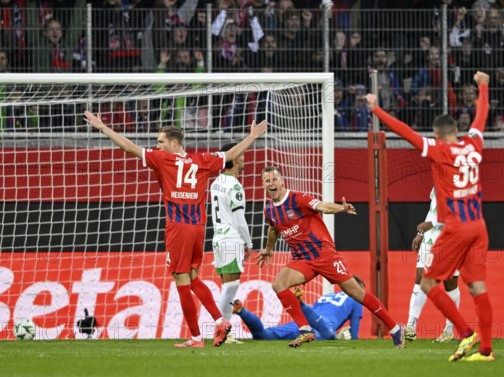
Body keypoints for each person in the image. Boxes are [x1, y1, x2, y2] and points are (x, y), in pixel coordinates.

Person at [83, 111, 267, 348]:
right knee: (192, 278)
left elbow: (129, 147)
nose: (157, 145)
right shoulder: (202, 160)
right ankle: (219, 320)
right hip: (198, 227)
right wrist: (252, 136)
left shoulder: (162, 159)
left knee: (181, 280)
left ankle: (196, 337)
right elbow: (231, 154)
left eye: (161, 141)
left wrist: (103, 127)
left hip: (178, 227)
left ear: (174, 143)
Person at [366, 71, 494, 362]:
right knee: (478, 287)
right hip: (479, 226)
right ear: (456, 130)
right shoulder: (474, 144)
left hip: (457, 228)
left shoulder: (439, 150)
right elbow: (481, 115)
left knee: (427, 283)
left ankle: (465, 333)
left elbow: (406, 133)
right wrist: (483, 86)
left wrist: (376, 109)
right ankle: (486, 350)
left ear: (437, 134)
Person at [256, 166, 405, 348]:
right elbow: (273, 228)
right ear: (263, 184)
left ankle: (395, 328)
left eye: (274, 180)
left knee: (356, 293)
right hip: (302, 259)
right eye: (267, 181)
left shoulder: (297, 198)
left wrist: (341, 208)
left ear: (281, 181)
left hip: (324, 254)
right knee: (279, 284)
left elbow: (322, 206)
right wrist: (269, 248)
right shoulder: (269, 210)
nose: (271, 184)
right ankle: (305, 330)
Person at [209, 142, 254, 344]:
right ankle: (222, 331)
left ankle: (223, 332)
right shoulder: (234, 185)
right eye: (242, 155)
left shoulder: (216, 182)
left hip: (218, 238)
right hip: (231, 238)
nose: (244, 159)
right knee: (231, 288)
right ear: (235, 158)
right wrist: (249, 242)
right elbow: (239, 219)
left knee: (227, 287)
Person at [231, 276, 366, 341]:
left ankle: (242, 311)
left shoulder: (327, 296)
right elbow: (354, 334)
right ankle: (300, 303)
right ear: (357, 289)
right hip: (323, 328)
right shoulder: (356, 299)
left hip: (301, 325)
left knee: (262, 336)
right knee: (329, 335)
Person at [405, 188, 461, 343]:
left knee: (449, 282)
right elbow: (433, 209)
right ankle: (410, 326)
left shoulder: (460, 182)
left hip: (450, 238)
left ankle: (449, 329)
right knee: (420, 276)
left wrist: (432, 223)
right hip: (430, 238)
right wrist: (421, 234)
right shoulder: (438, 183)